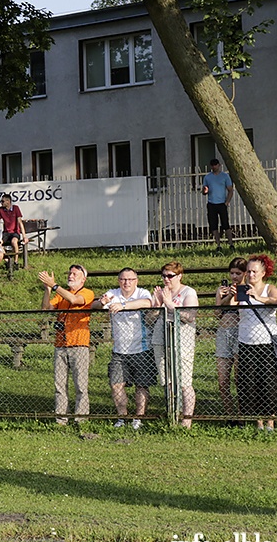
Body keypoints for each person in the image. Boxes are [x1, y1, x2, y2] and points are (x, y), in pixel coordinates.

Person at [92, 268, 156, 428]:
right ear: (118, 280)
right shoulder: (113, 293)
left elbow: (147, 303)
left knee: (141, 385)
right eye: (123, 279)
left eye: (130, 279)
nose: (126, 282)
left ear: (136, 280)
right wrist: (102, 303)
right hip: (119, 350)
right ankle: (122, 418)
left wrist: (123, 305)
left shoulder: (142, 293)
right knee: (116, 384)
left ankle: (138, 419)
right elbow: (95, 305)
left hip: (141, 348)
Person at [38, 264, 95, 425]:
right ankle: (61, 419)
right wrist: (48, 290)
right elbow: (46, 309)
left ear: (83, 279)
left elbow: (74, 300)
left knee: (81, 385)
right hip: (60, 344)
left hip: (79, 344)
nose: (71, 276)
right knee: (59, 384)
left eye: (75, 274)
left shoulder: (87, 293)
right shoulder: (61, 294)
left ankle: (81, 418)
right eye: (70, 273)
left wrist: (54, 285)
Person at [232, 255, 277, 431]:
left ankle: (270, 422)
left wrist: (258, 297)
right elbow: (229, 307)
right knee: (249, 382)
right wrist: (229, 295)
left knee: (267, 382)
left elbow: (276, 302)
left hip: (266, 342)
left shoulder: (270, 288)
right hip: (246, 341)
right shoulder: (242, 289)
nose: (251, 274)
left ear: (263, 273)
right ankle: (257, 421)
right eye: (249, 271)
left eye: (254, 271)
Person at [152, 261, 199, 429]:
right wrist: (158, 304)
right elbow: (150, 319)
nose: (166, 279)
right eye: (164, 276)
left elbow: (190, 315)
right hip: (161, 339)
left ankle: (187, 420)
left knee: (185, 382)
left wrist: (169, 303)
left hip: (181, 341)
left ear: (179, 276)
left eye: (170, 276)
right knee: (168, 381)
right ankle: (173, 414)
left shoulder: (188, 292)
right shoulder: (160, 293)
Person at [215, 257, 247, 419]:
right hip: (223, 333)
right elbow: (217, 313)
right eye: (232, 273)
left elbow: (236, 306)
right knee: (222, 381)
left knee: (239, 379)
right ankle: (230, 415)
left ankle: (242, 415)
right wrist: (222, 296)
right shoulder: (223, 290)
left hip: (240, 333)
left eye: (238, 273)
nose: (234, 277)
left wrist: (231, 297)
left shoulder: (246, 289)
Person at [202, 158, 234, 248]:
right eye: (212, 165)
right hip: (212, 204)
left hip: (221, 204)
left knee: (226, 224)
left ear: (219, 165)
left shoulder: (225, 176)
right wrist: (205, 191)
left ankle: (231, 244)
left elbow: (230, 190)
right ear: (210, 166)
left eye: (216, 165)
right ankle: (218, 245)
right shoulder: (207, 177)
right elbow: (204, 191)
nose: (214, 167)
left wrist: (227, 202)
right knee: (213, 225)